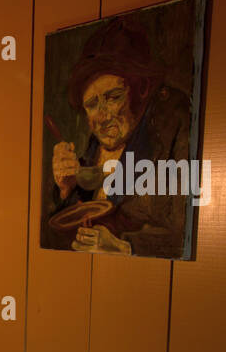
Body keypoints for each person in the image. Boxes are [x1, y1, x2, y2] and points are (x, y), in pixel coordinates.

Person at [48, 17, 193, 258]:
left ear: (141, 89)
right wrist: (66, 189)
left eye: (113, 97)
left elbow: (186, 232)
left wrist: (126, 246)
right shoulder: (97, 145)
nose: (103, 117)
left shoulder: (174, 123)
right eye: (92, 105)